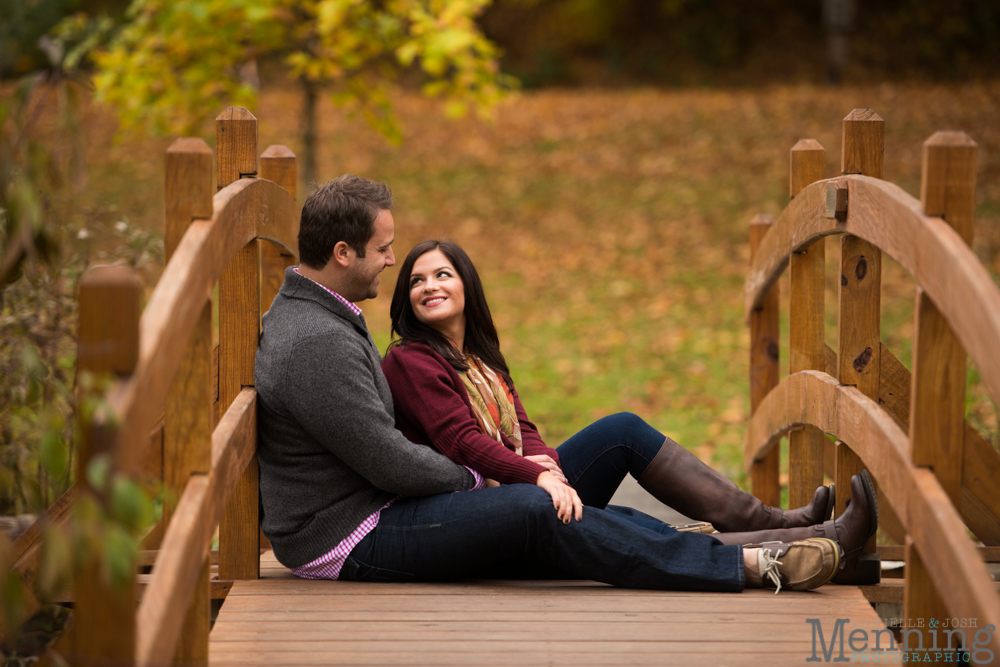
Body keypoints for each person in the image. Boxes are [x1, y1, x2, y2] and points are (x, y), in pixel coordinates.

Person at [254, 174, 877, 596]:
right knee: (538, 507)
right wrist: (488, 481)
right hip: (349, 535)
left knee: (610, 440)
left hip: (391, 502)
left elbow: (420, 446)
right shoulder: (316, 343)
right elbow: (386, 459)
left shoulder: (325, 316)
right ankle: (760, 564)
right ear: (342, 252)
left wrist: (538, 464)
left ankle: (796, 536)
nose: (392, 262)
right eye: (384, 250)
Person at [380, 238, 879, 585]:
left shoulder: (480, 357)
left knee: (622, 432)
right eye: (418, 280)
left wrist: (545, 464)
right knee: (630, 525)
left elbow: (523, 426)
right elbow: (461, 442)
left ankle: (780, 524)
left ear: (466, 284)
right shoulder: (411, 359)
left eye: (442, 274)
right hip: (481, 508)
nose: (430, 286)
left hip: (515, 481)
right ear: (407, 298)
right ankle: (814, 541)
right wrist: (536, 479)